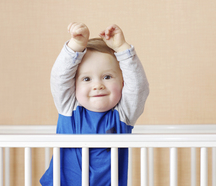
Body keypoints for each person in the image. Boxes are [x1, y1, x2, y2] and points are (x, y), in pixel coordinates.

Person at [40, 22, 149, 186]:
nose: (98, 85)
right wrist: (75, 46)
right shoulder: (69, 107)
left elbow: (138, 87)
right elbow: (59, 78)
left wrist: (122, 48)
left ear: (122, 82)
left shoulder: (123, 114)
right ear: (74, 85)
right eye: (86, 79)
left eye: (107, 77)